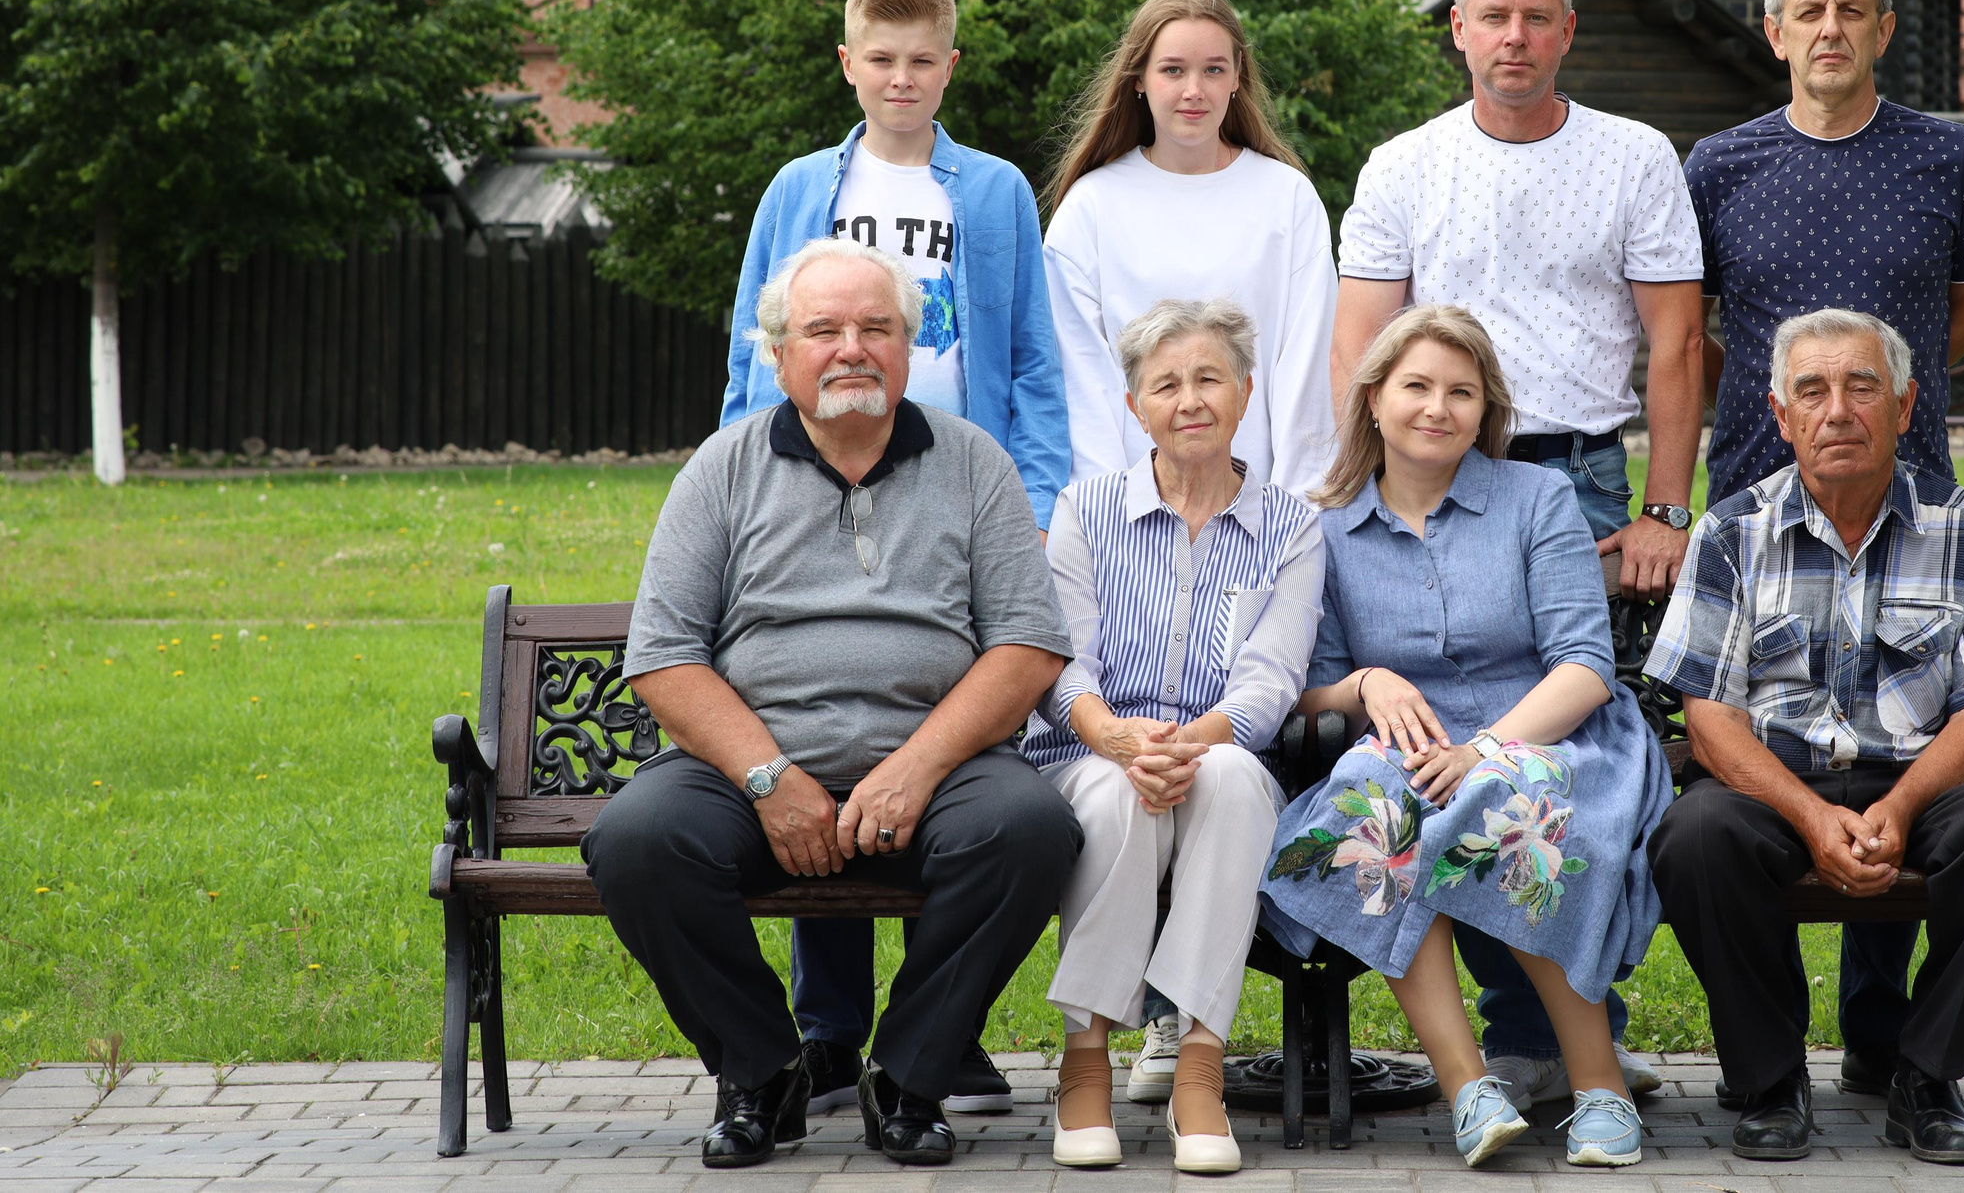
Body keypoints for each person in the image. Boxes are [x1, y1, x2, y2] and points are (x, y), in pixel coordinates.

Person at [586, 239, 1081, 1170]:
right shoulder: (723, 469)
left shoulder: (975, 463)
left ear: (907, 346)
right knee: (638, 841)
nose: (852, 347)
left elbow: (1025, 646)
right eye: (824, 330)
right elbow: (661, 656)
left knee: (1030, 828)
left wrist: (916, 767)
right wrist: (770, 776)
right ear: (779, 354)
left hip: (938, 766)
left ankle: (907, 1073)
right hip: (748, 765)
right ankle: (762, 1070)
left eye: (876, 327)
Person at [1331, 0, 1701, 1105]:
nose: (1513, 39)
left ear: (1567, 31)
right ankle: (1525, 1045)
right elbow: (1361, 347)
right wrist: (1355, 489)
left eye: (1536, 18)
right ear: (1457, 27)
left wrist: (1663, 507)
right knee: (1443, 746)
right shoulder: (1402, 165)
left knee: (1567, 753)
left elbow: (1677, 341)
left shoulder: (1635, 156)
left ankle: (1566, 1029)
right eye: (1491, 17)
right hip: (1430, 472)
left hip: (1579, 482)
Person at [719, 0, 1069, 1117]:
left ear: (950, 67)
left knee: (948, 741)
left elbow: (1027, 354)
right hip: (820, 478)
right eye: (882, 60)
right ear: (849, 64)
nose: (902, 80)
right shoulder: (797, 189)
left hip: (956, 496)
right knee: (825, 719)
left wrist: (1035, 492)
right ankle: (826, 1029)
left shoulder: (998, 190)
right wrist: (748, 478)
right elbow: (749, 347)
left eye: (923, 62)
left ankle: (938, 1024)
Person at [1682, 0, 1964, 1102]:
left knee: (1898, 723)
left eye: (1851, 11)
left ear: (1880, 30)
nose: (1828, 30)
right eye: (1807, 11)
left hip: (1906, 486)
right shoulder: (1717, 166)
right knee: (1762, 762)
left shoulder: (1948, 159)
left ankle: (1880, 1032)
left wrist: (1878, 388)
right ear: (1774, 32)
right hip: (1758, 497)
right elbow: (1692, 328)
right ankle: (1766, 1046)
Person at [1643, 308, 1964, 1167]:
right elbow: (1710, 718)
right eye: (1813, 390)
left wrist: (1902, 805)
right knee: (1695, 834)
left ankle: (1925, 1076)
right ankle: (1768, 1079)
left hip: (1920, 780)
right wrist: (1807, 815)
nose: (1838, 409)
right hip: (1777, 781)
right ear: (1780, 413)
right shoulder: (1730, 530)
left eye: (1861, 386)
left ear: (1905, 407)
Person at [1262, 305, 1672, 1170]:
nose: (1437, 407)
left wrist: (1485, 748)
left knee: (1507, 797)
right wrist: (1366, 683)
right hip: (1409, 750)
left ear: (1487, 412)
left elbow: (1586, 667)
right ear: (1373, 399)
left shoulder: (1537, 497)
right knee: (1378, 803)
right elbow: (1309, 688)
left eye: (1462, 391)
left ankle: (1599, 1085)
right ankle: (1468, 1091)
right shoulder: (1326, 528)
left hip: (1558, 736)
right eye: (1416, 385)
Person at [1023, 298, 1324, 1174]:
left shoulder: (1291, 526)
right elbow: (1057, 663)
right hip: (1091, 754)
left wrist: (1186, 743)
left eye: (1208, 379)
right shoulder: (1086, 509)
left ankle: (1199, 1062)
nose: (1189, 399)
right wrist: (1120, 739)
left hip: (1223, 752)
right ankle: (1087, 1055)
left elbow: (1270, 677)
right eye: (1166, 384)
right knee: (1123, 793)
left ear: (1245, 392)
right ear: (1135, 407)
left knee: (1228, 777)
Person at [1045, 0, 1337, 498]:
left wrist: (1297, 517)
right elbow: (1082, 386)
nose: (1193, 90)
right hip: (1127, 523)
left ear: (1236, 78)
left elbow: (1307, 375)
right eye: (1173, 69)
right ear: (1138, 78)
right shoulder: (1089, 210)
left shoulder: (1287, 200)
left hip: (1259, 514)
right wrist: (1109, 520)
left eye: (1213, 70)